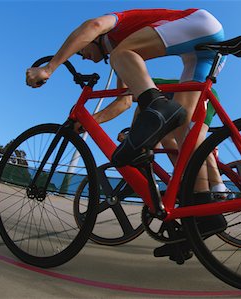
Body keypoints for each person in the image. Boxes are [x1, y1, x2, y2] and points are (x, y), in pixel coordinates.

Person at [26, 8, 227, 263]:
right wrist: (92, 121)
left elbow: (94, 23)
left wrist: (49, 68)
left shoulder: (115, 31)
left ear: (93, 40)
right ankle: (204, 212)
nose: (84, 58)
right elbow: (124, 101)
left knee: (122, 55)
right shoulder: (123, 58)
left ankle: (158, 108)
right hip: (200, 51)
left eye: (81, 51)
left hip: (200, 24)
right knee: (182, 130)